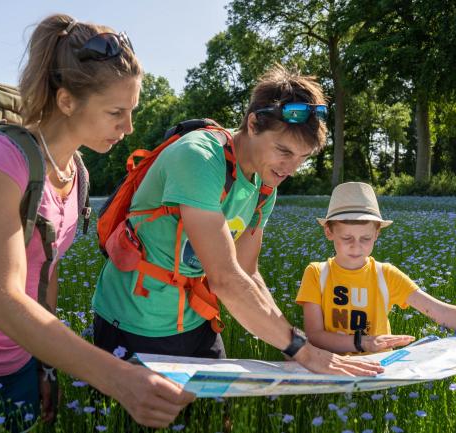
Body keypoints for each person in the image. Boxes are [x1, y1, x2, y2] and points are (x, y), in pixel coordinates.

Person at [0, 14, 194, 430]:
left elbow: (45, 274)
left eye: (131, 110)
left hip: (19, 369)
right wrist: (119, 379)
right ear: (67, 101)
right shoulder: (0, 162)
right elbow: (5, 301)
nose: (129, 127)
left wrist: (45, 367)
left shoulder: (76, 171)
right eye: (116, 111)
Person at [91, 66, 385, 378]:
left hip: (195, 318)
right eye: (283, 151)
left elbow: (248, 272)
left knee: (218, 418)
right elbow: (225, 278)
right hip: (134, 319)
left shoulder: (265, 184)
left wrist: (291, 340)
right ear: (254, 123)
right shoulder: (199, 158)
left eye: (302, 158)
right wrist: (302, 348)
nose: (291, 169)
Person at [296, 181, 456, 354]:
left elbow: (440, 311)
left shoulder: (385, 274)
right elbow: (315, 336)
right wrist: (363, 343)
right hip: (328, 368)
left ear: (377, 233)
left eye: (365, 238)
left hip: (379, 372)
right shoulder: (317, 273)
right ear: (329, 232)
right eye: (347, 238)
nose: (356, 247)